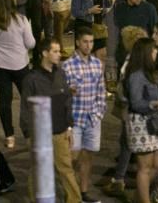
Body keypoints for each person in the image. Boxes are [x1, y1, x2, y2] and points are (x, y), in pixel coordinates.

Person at [20, 37, 81, 203]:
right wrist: (28, 134)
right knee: (37, 172)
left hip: (60, 132)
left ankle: (74, 200)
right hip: (39, 135)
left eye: (59, 51)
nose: (59, 55)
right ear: (44, 53)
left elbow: (67, 101)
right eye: (55, 51)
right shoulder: (31, 79)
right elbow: (25, 108)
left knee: (66, 170)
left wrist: (69, 127)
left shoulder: (61, 74)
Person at [61, 26, 105, 201]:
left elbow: (101, 91)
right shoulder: (68, 66)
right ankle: (70, 195)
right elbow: (63, 96)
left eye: (91, 42)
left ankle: (83, 192)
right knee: (71, 159)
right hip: (75, 120)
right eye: (85, 42)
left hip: (93, 119)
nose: (89, 45)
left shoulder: (96, 64)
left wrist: (99, 112)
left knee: (88, 157)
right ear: (78, 43)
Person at [124, 37, 158, 203]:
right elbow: (136, 102)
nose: (156, 52)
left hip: (155, 123)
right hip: (141, 124)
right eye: (153, 50)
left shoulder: (151, 74)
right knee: (145, 167)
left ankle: (139, 197)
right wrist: (153, 104)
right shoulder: (136, 75)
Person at [0, 0, 35, 149]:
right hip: (20, 65)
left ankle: (9, 136)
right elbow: (31, 43)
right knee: (28, 99)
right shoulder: (21, 21)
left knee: (5, 100)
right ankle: (28, 132)